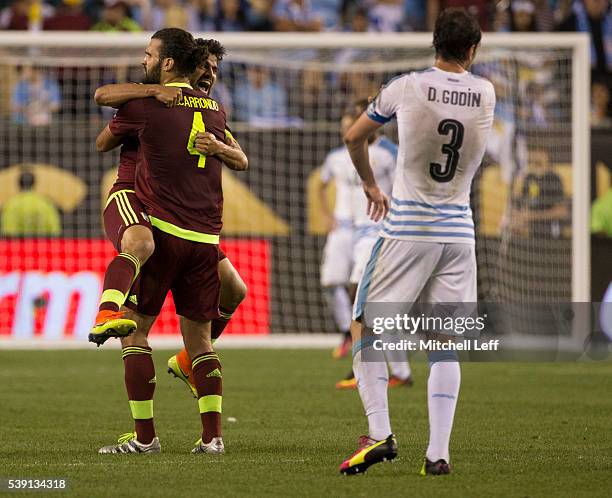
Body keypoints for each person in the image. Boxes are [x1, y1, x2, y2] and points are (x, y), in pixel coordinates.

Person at [339, 9, 495, 476]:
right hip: (459, 235)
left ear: (435, 43)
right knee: (444, 342)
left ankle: (381, 433)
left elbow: (354, 137)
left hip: (408, 229)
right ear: (472, 50)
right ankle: (438, 455)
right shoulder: (487, 93)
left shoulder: (406, 86)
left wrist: (370, 184)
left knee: (365, 327)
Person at [92, 28, 236, 456]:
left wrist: (141, 112)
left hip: (169, 225)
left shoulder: (150, 107)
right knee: (202, 335)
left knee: (137, 330)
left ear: (169, 63)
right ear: (193, 68)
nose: (211, 74)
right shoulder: (213, 110)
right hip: (201, 234)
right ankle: (212, 438)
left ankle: (145, 437)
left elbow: (102, 130)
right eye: (207, 67)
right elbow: (240, 158)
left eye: (149, 54)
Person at [317, 99, 412, 387]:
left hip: (379, 232)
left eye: (355, 125)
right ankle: (398, 372)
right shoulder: (345, 154)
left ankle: (366, 370)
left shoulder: (389, 153)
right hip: (356, 231)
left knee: (365, 299)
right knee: (372, 303)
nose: (351, 131)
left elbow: (403, 192)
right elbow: (323, 185)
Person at [1, 169, 61, 237]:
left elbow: (8, 232)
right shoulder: (45, 203)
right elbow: (55, 230)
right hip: (42, 246)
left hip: (19, 246)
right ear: (34, 183)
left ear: (19, 184)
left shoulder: (11, 204)